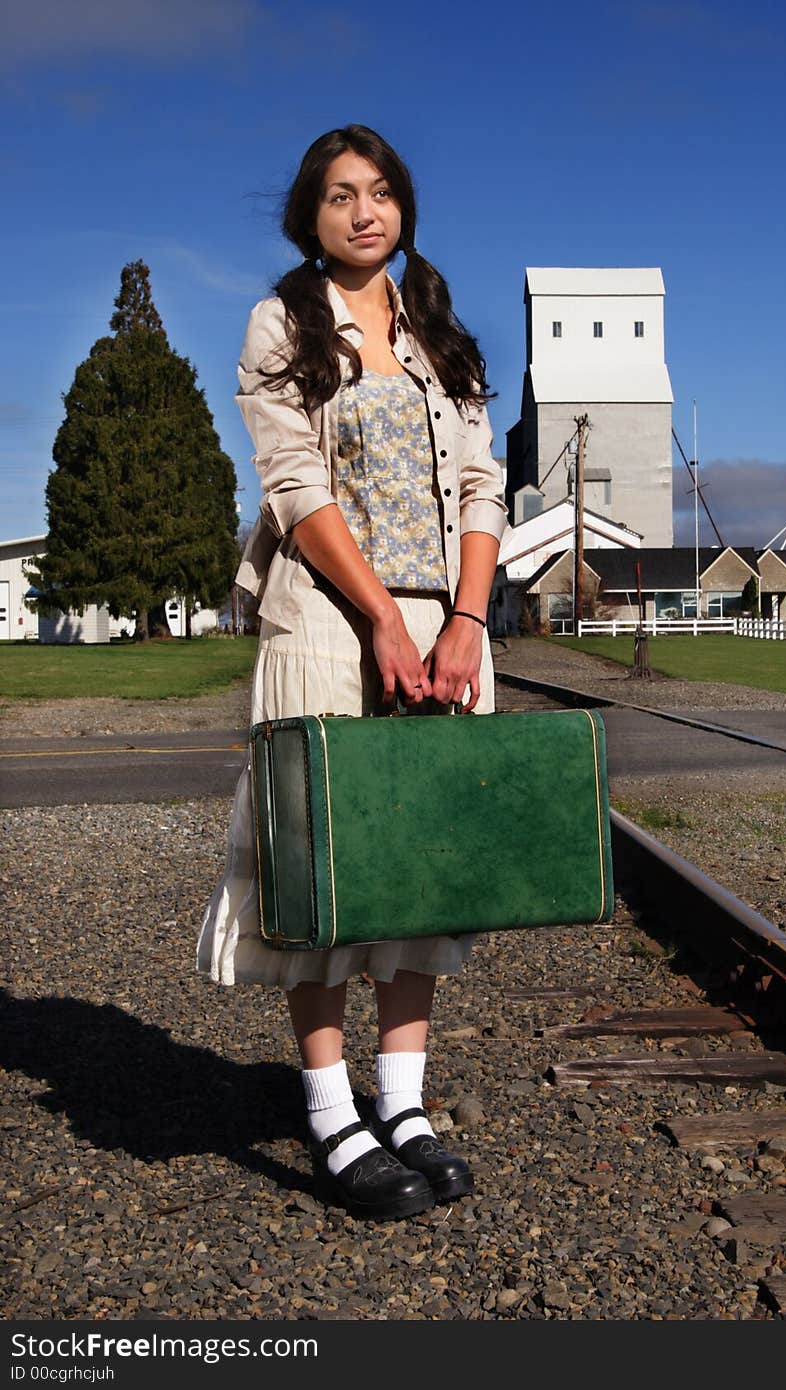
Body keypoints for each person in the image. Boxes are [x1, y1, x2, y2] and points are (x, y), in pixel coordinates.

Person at [197, 125, 508, 1221]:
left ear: (404, 206)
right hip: (330, 628)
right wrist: (381, 616)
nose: (364, 212)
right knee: (328, 875)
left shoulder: (440, 333)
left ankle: (404, 1105)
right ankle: (331, 1115)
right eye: (339, 196)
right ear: (310, 216)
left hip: (445, 630)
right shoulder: (279, 322)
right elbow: (291, 483)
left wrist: (466, 621)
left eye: (380, 193)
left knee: (420, 870)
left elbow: (481, 486)